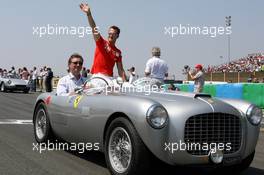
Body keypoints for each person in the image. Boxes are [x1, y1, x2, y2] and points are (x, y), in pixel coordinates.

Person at [80, 3, 127, 81]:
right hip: (96, 77)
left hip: (109, 79)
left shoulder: (118, 52)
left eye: (113, 34)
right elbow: (94, 28)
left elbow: (120, 70)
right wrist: (89, 14)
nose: (110, 35)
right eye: (109, 33)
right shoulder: (101, 42)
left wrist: (126, 82)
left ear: (117, 36)